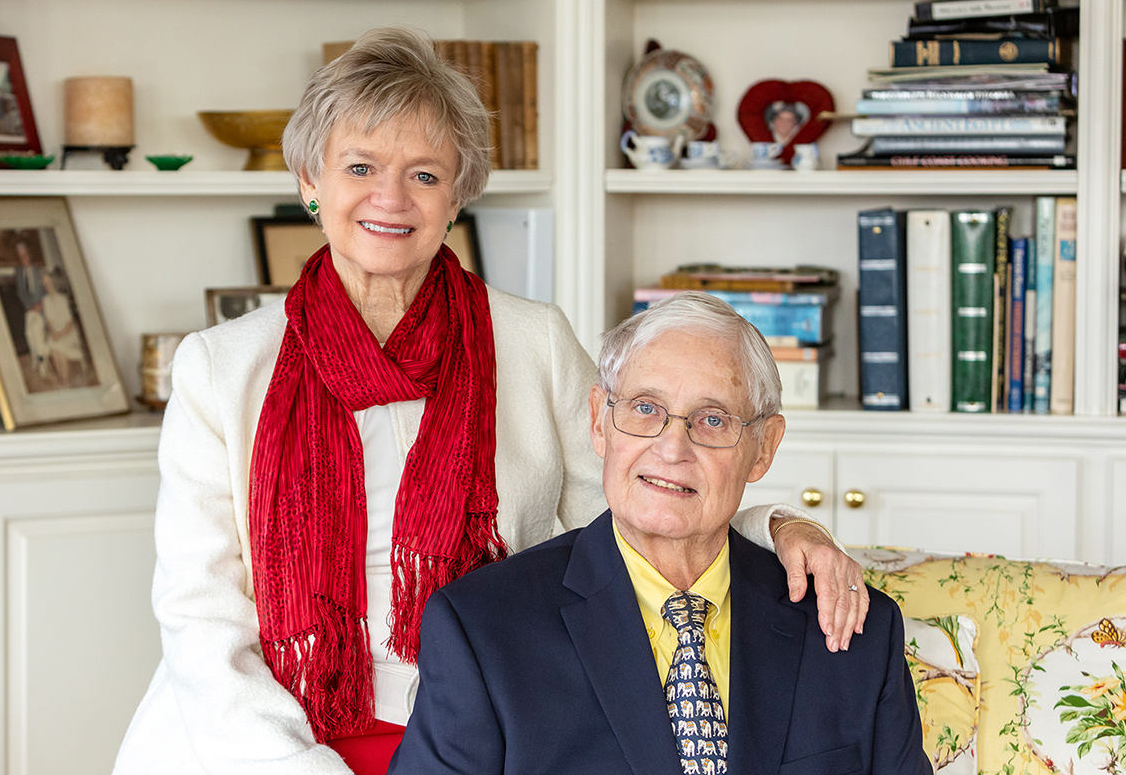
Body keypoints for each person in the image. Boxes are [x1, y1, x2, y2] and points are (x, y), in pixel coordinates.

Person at [113, 27, 867, 775]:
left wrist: (777, 525)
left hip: (501, 727)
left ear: (459, 194)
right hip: (253, 738)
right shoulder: (220, 368)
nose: (390, 198)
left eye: (424, 175)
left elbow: (644, 508)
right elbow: (201, 620)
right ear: (310, 182)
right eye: (360, 166)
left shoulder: (532, 342)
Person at [390, 293, 931, 775]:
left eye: (713, 419)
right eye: (646, 409)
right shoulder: (483, 629)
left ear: (763, 447)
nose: (673, 449)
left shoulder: (850, 627)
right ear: (600, 421)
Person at [39, 268, 86, 387]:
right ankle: (62, 379)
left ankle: (65, 381)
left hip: (67, 332)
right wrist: (53, 333)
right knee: (54, 349)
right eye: (45, 284)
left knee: (58, 346)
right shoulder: (45, 300)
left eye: (49, 283)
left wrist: (59, 335)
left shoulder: (62, 299)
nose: (47, 286)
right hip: (55, 332)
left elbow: (69, 324)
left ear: (54, 282)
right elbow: (49, 323)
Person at [13, 237, 48, 377]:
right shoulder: (18, 272)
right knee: (29, 334)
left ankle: (42, 363)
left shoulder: (39, 270)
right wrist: (29, 306)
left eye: (25, 254)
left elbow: (47, 289)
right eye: (20, 256)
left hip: (41, 309)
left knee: (37, 335)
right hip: (29, 310)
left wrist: (41, 304)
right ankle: (34, 358)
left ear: (29, 254)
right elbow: (20, 292)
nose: (23, 258)